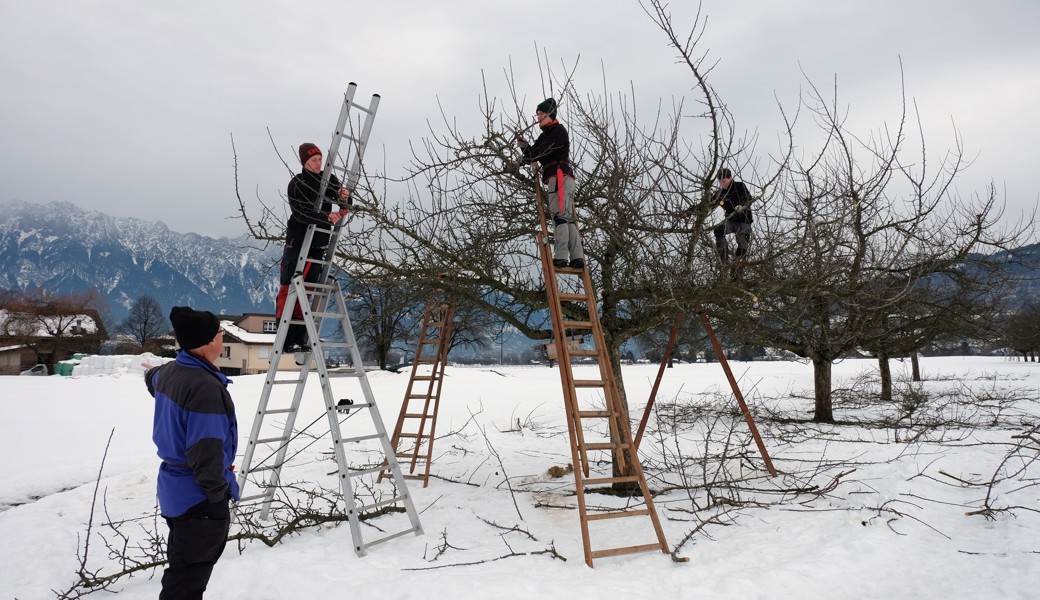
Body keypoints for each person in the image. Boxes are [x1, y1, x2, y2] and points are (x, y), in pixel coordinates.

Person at [145, 306, 239, 600]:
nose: (222, 339)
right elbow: (206, 452)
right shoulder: (203, 387)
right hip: (199, 500)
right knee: (186, 581)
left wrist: (150, 375)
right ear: (210, 341)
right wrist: (218, 493)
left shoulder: (171, 372)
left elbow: (152, 379)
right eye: (221, 334)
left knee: (183, 567)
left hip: (176, 492)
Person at [276, 142, 352, 353]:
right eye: (313, 161)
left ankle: (300, 337)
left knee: (307, 290)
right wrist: (326, 216)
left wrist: (344, 199)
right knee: (290, 288)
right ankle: (285, 338)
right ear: (305, 162)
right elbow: (300, 213)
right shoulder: (297, 183)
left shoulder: (329, 180)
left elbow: (346, 205)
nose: (318, 164)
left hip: (319, 243)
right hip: (298, 242)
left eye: (320, 159)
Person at [516, 97, 585, 270]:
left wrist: (523, 160)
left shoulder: (557, 131)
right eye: (537, 114)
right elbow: (534, 152)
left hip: (558, 176)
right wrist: (524, 147)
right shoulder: (547, 134)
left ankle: (561, 257)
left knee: (559, 217)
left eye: (541, 114)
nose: (538, 117)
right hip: (563, 178)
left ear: (550, 115)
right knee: (567, 217)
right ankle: (577, 258)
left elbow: (542, 151)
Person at [712, 167, 753, 272]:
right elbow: (707, 204)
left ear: (730, 178)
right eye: (720, 182)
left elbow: (747, 198)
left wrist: (741, 205)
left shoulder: (739, 186)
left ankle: (736, 275)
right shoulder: (720, 193)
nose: (722, 184)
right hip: (731, 221)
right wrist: (688, 213)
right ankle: (723, 259)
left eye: (724, 181)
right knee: (718, 230)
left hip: (744, 222)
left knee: (741, 251)